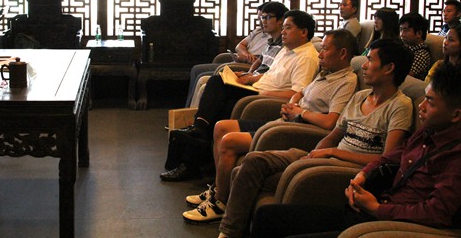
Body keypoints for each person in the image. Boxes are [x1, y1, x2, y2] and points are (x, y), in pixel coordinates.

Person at [214, 38, 414, 237]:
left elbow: (385, 159)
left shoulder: (399, 106)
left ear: (389, 68)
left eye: (370, 60)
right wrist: (314, 154)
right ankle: (229, 232)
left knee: (251, 176)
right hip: (326, 156)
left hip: (347, 167)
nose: (364, 65)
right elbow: (334, 135)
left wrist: (331, 153)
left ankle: (231, 232)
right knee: (252, 162)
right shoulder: (360, 96)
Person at [251, 62, 461, 238]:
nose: (421, 106)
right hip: (374, 205)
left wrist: (377, 209)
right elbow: (389, 157)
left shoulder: (454, 155)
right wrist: (363, 175)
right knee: (267, 216)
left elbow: (437, 212)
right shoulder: (426, 132)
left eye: (430, 102)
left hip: (389, 222)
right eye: (424, 98)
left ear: (456, 114)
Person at [182, 29, 358, 221]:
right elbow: (300, 92)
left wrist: (301, 113)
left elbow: (331, 121)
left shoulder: (347, 81)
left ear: (342, 53)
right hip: (286, 120)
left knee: (229, 140)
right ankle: (218, 188)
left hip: (299, 130)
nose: (320, 54)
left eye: (325, 49)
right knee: (221, 127)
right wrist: (293, 103)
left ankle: (220, 202)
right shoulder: (325, 72)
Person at [161, 10, 318, 182]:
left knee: (219, 106)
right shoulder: (286, 50)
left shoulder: (306, 58)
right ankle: (198, 134)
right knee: (216, 82)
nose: (283, 32)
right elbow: (270, 75)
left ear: (304, 32)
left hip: (263, 97)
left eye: (288, 28)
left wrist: (264, 93)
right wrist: (250, 77)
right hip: (256, 89)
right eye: (284, 28)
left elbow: (296, 94)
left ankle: (193, 156)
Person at [184, 2, 288, 107]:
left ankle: (195, 116)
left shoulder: (285, 48)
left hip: (258, 83)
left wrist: (250, 77)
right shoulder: (268, 40)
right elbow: (251, 54)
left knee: (211, 82)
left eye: (268, 17)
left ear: (281, 20)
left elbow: (272, 75)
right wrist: (249, 71)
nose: (263, 21)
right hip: (252, 76)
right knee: (205, 80)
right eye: (262, 18)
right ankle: (189, 114)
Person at [399, 12, 431, 80]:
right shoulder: (405, 48)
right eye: (401, 29)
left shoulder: (421, 55)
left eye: (406, 30)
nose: (402, 34)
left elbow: (404, 78)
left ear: (419, 33)